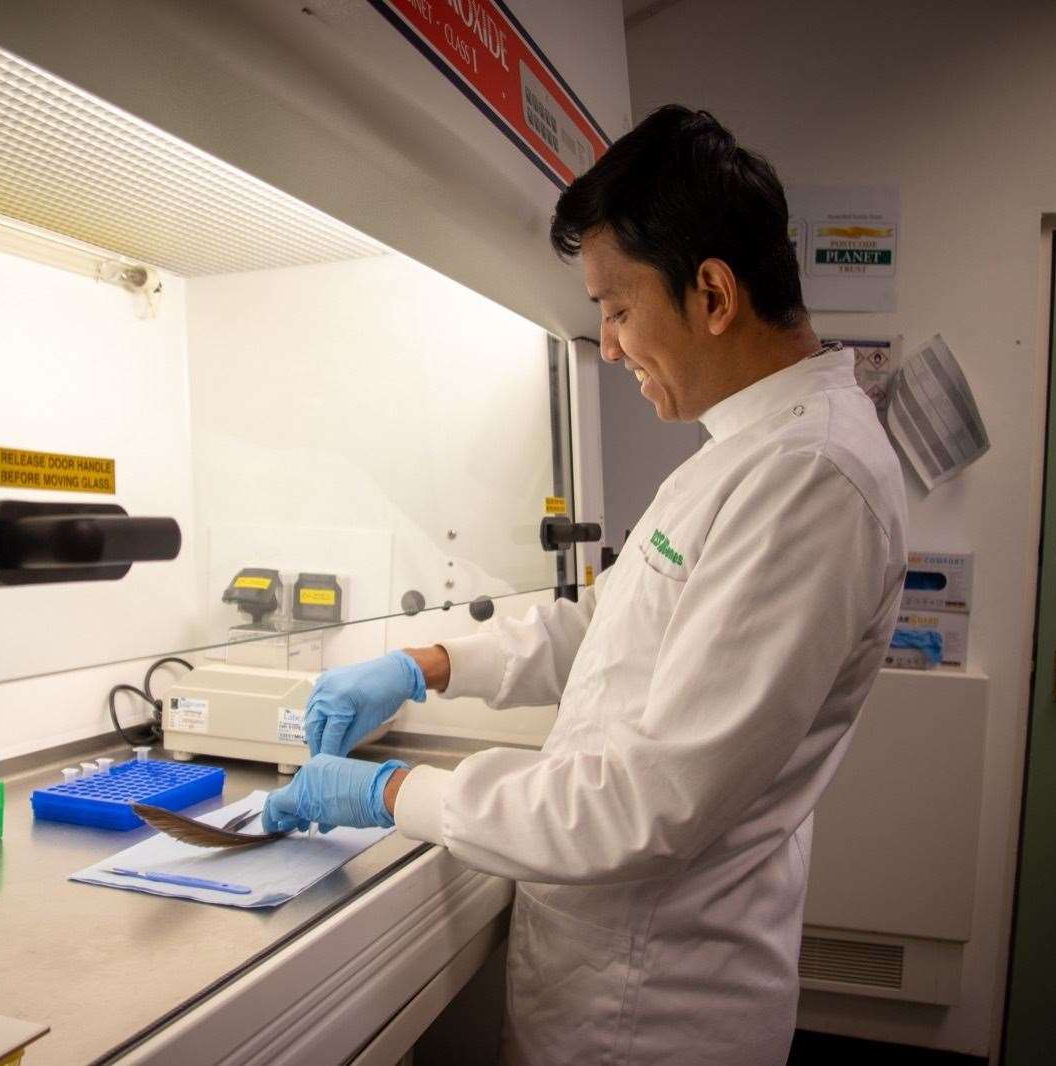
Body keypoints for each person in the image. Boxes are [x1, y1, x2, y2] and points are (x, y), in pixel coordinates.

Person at [263, 105, 907, 1065]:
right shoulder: (740, 449)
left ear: (714, 294)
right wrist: (427, 663)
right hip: (608, 970)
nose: (605, 347)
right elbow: (608, 627)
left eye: (614, 308)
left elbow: (648, 803)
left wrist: (394, 792)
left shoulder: (810, 480)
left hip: (658, 1007)